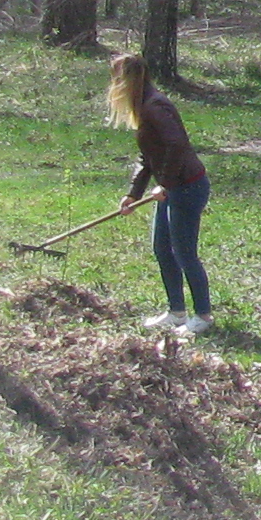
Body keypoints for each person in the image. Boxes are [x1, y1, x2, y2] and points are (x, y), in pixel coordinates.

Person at [109, 53, 210, 338]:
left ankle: (202, 315)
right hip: (172, 189)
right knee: (163, 249)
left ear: (127, 80)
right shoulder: (143, 106)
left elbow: (177, 145)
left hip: (187, 186)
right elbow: (148, 156)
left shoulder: (156, 106)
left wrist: (164, 184)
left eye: (116, 78)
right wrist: (133, 193)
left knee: (184, 253)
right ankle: (176, 311)